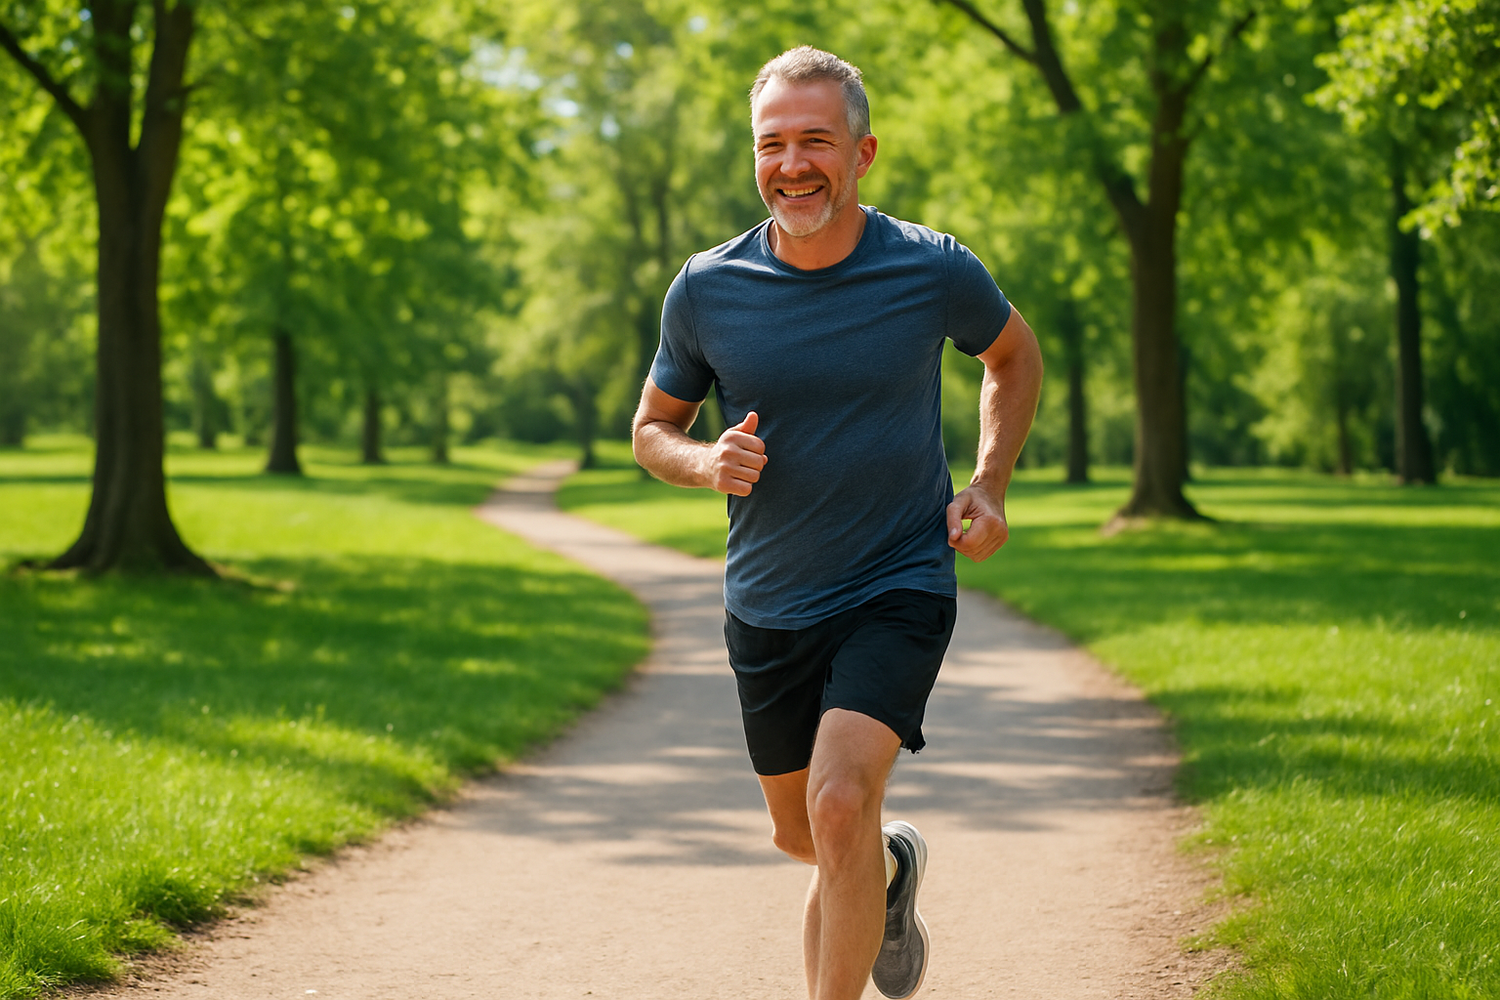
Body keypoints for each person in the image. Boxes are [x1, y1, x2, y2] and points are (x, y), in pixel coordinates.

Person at [631, 45, 1043, 1000]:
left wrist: (989, 482)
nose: (792, 163)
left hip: (898, 580)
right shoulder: (707, 287)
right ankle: (890, 878)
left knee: (842, 804)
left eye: (816, 140)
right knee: (804, 834)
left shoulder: (931, 268)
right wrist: (705, 463)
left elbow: (1013, 357)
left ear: (862, 154)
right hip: (770, 599)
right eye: (771, 144)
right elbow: (654, 429)